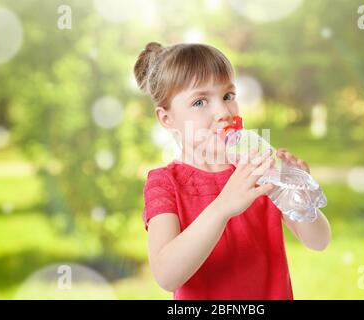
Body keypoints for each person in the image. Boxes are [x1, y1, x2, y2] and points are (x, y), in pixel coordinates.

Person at [134, 42, 331, 300]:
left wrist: (300, 197)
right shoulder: (165, 183)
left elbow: (319, 241)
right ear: (166, 119)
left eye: (228, 96)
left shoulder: (257, 168)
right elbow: (166, 275)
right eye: (200, 101)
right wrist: (222, 207)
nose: (223, 112)